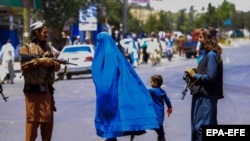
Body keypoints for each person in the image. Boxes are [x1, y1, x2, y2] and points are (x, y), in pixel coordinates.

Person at [91, 31, 159, 141]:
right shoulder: (116, 55)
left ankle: (110, 138)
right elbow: (128, 73)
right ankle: (111, 138)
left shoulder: (99, 55)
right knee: (115, 115)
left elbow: (96, 73)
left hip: (103, 94)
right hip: (115, 92)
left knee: (107, 116)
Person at [19, 21, 61, 141]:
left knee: (47, 125)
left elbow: (57, 67)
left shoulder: (49, 49)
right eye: (44, 32)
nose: (46, 35)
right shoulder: (26, 48)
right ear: (36, 33)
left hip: (47, 92)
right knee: (32, 125)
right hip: (33, 94)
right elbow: (23, 64)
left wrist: (51, 62)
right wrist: (41, 61)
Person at [185, 26, 224, 141]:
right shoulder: (210, 54)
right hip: (203, 96)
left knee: (200, 128)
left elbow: (210, 77)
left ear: (207, 39)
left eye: (201, 37)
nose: (199, 40)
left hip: (206, 97)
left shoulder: (212, 55)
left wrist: (193, 75)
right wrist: (195, 72)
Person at [148, 74, 172, 141]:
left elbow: (143, 90)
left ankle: (161, 137)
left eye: (151, 82)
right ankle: (162, 138)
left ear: (155, 83)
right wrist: (169, 107)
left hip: (155, 112)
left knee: (157, 126)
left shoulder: (152, 91)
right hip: (161, 112)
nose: (150, 84)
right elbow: (167, 100)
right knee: (160, 126)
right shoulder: (163, 92)